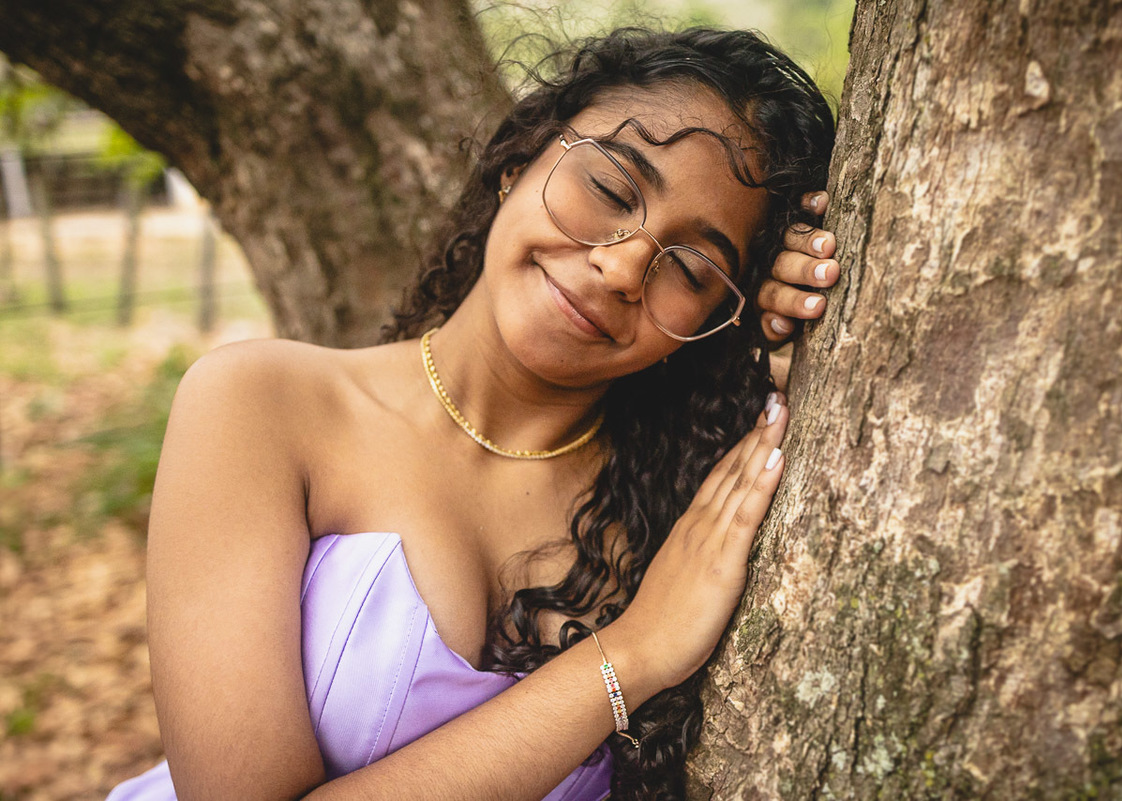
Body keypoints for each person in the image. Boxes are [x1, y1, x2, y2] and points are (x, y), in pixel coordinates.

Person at [108, 26, 838, 801]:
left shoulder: (697, 503)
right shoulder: (261, 405)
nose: (623, 267)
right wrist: (631, 652)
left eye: (691, 268)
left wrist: (797, 336)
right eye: (610, 189)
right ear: (517, 164)